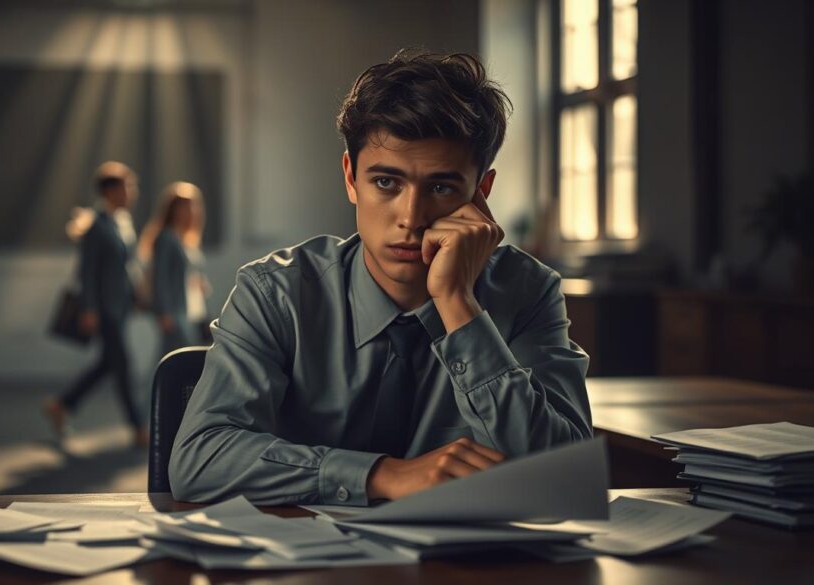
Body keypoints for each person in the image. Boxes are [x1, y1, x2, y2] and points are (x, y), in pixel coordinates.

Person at [169, 51, 592, 506]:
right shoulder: (277, 293)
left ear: (481, 192)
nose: (411, 218)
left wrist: (457, 304)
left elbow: (566, 476)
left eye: (442, 187)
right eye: (386, 183)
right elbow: (199, 459)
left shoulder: (527, 292)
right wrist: (381, 476)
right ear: (351, 178)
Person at [44, 162, 147, 446]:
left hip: (119, 306)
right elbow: (87, 271)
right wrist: (89, 309)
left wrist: (135, 295)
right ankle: (138, 427)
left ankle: (61, 405)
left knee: (107, 364)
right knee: (123, 365)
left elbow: (125, 265)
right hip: (104, 309)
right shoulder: (97, 226)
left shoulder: (120, 222)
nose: (132, 192)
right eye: (128, 186)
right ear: (111, 190)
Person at [138, 181, 210, 356]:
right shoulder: (166, 237)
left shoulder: (184, 239)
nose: (190, 211)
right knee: (178, 355)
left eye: (193, 207)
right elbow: (160, 277)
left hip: (190, 309)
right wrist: (164, 312)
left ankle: (156, 383)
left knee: (174, 355)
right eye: (185, 207)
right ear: (173, 210)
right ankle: (156, 384)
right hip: (174, 312)